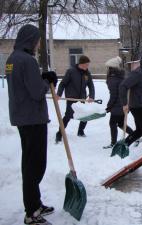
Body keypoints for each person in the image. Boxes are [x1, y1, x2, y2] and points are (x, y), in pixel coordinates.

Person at [5, 24, 57, 225]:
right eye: (37, 40)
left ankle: (35, 203)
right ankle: (31, 213)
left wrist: (41, 77)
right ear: (30, 39)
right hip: (33, 118)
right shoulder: (27, 60)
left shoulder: (12, 59)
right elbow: (36, 92)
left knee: (29, 163)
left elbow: (23, 85)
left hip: (22, 117)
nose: (38, 44)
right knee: (35, 166)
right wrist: (47, 81)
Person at [119, 53, 142, 155]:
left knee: (140, 130)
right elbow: (123, 86)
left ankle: (124, 145)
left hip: (141, 105)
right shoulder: (138, 73)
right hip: (138, 106)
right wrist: (124, 103)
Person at [55, 55, 95, 143]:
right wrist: (58, 94)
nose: (88, 66)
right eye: (86, 64)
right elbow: (63, 84)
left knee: (84, 115)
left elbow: (91, 85)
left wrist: (92, 96)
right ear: (81, 64)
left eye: (88, 64)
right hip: (71, 98)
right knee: (68, 116)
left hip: (82, 98)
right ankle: (59, 134)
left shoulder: (87, 73)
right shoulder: (71, 71)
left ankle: (80, 131)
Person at [103, 56, 135, 149]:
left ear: (111, 68)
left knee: (112, 123)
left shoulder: (113, 79)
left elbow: (113, 95)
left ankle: (113, 143)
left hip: (117, 106)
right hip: (124, 104)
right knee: (121, 124)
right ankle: (135, 137)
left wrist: (109, 106)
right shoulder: (122, 76)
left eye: (108, 67)